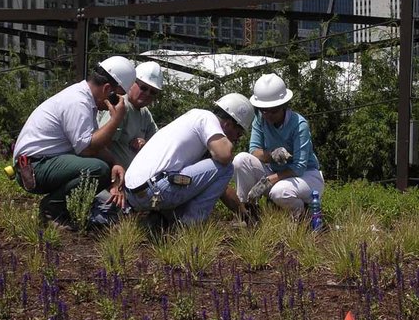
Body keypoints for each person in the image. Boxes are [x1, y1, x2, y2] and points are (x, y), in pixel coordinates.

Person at [12, 56, 136, 225]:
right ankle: (52, 209)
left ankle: (64, 207)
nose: (117, 103)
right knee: (98, 169)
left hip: (41, 163)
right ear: (108, 89)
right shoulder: (78, 102)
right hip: (34, 167)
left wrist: (115, 162)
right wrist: (116, 119)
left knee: (103, 167)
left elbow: (94, 144)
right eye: (117, 98)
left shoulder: (84, 99)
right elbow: (88, 149)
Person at [124, 93, 254, 225]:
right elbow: (225, 156)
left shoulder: (193, 118)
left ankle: (164, 220)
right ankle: (188, 225)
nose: (237, 139)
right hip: (155, 189)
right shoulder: (207, 119)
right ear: (227, 124)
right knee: (226, 167)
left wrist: (242, 212)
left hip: (134, 194)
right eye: (239, 133)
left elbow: (221, 187)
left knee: (217, 170)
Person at [232, 73, 324, 221]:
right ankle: (247, 211)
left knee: (280, 192)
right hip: (276, 173)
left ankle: (301, 212)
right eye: (264, 110)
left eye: (273, 111)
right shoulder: (260, 120)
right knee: (241, 160)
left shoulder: (299, 125)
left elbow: (299, 167)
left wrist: (268, 180)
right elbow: (253, 151)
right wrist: (271, 155)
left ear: (283, 106)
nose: (268, 115)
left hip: (305, 175)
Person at [90, 61, 163, 224]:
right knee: (103, 216)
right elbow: (100, 147)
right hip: (113, 183)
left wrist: (145, 145)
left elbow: (158, 146)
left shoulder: (145, 114)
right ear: (132, 83)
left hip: (131, 184)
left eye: (153, 92)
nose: (147, 94)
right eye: (143, 87)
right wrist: (115, 184)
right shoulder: (121, 105)